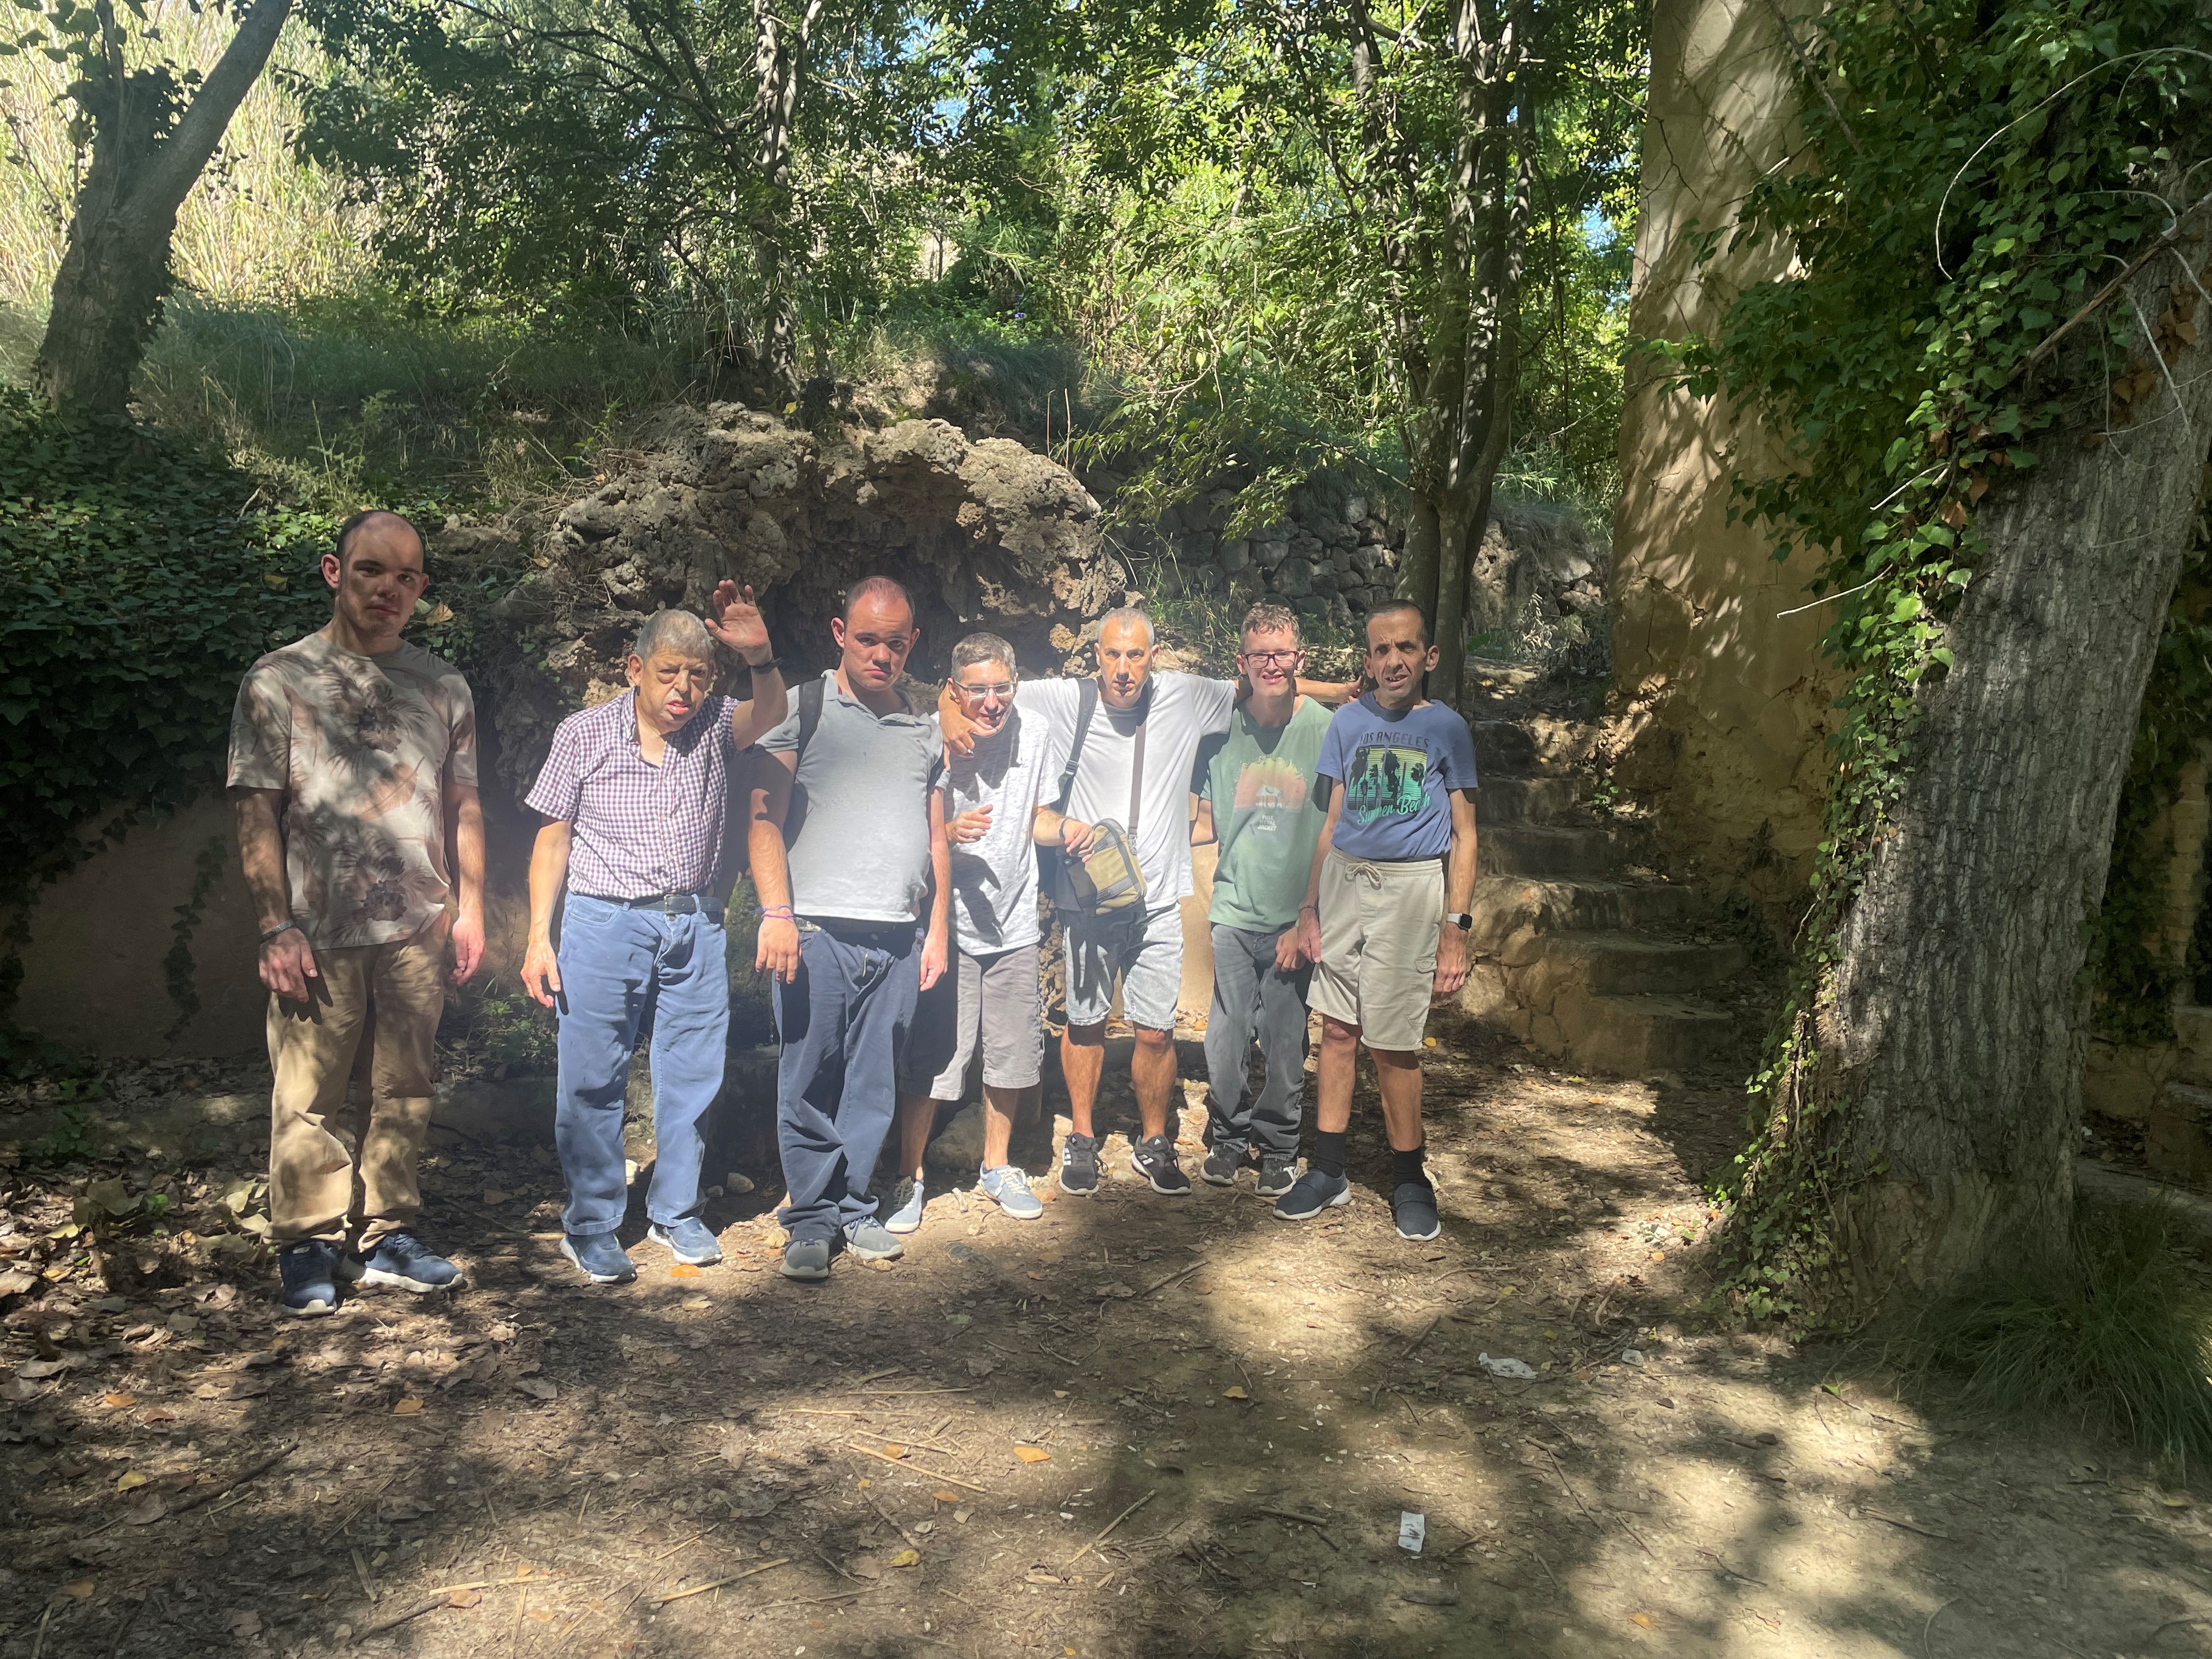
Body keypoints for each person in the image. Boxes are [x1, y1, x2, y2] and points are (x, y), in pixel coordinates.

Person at [228, 510, 486, 1316]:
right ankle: (306, 1241)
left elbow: (464, 804)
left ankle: (385, 1236)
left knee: (406, 1085)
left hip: (419, 924)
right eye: (373, 570)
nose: (390, 589)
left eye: (408, 577)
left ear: (423, 590)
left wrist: (472, 907)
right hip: (318, 928)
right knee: (308, 1090)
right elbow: (255, 811)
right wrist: (275, 924)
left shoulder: (443, 686)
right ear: (335, 572)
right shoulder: (279, 680)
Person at [519, 589, 786, 1285]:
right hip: (603, 920)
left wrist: (757, 655)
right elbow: (553, 838)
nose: (684, 689)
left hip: (692, 921)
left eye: (698, 675)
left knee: (693, 1076)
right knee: (592, 1078)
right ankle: (592, 1223)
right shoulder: (582, 734)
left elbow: (774, 713)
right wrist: (536, 939)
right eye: (670, 672)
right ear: (635, 669)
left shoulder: (717, 725)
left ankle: (675, 1211)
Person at [749, 578, 951, 1280]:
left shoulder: (924, 730)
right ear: (840, 632)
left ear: (912, 644)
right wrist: (776, 914)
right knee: (807, 1077)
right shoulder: (802, 710)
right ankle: (808, 1220)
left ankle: (855, 1209)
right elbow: (762, 820)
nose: (881, 654)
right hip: (813, 933)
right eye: (867, 639)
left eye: (895, 643)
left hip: (897, 937)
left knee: (873, 1081)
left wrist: (936, 931)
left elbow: (936, 840)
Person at [1280, 600, 1479, 1243]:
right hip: (1344, 881)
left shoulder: (1447, 728)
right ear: (1367, 661)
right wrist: (1309, 907)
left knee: (1393, 1040)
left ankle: (1409, 1177)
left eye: (1407, 649)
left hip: (1411, 888)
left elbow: (1466, 833)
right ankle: (1329, 1167)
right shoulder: (1347, 722)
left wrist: (1457, 926)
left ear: (1429, 657)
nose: (1394, 661)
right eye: (1382, 651)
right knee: (1337, 1028)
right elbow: (1331, 822)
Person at [882, 634, 1062, 1232]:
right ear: (955, 690)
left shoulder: (1035, 732)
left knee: (1010, 1055)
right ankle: (910, 1176)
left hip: (1013, 922)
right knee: (935, 1055)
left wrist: (1075, 830)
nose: (992, 702)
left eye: (1001, 687)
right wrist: (946, 831)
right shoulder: (933, 732)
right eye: (977, 690)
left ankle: (997, 1164)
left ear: (1017, 683)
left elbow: (1037, 813)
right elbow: (900, 820)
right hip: (947, 925)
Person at [1192, 603, 1335, 1199]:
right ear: (1242, 662)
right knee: (1224, 1041)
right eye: (1259, 655)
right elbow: (1201, 819)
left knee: (1283, 1039)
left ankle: (1279, 1146)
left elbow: (1335, 827)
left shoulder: (1327, 730)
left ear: (1300, 658)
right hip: (1232, 911)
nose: (1271, 665)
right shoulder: (1221, 731)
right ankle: (1226, 1137)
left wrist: (1311, 913)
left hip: (1290, 915)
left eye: (1281, 653)